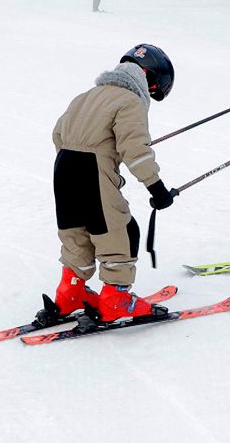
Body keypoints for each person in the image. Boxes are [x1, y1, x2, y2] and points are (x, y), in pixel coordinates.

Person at [44, 44, 177, 324]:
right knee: (121, 231)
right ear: (149, 78)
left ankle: (70, 292)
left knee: (77, 231)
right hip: (92, 173)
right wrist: (156, 188)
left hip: (63, 169)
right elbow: (135, 150)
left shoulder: (85, 96)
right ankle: (116, 299)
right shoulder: (130, 101)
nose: (151, 94)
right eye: (154, 89)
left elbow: (58, 134)